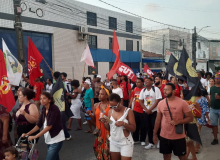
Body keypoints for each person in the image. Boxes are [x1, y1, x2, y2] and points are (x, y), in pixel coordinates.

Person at [153, 83, 193, 160]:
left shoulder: (182, 102)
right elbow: (158, 120)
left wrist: (179, 121)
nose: (165, 91)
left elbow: (190, 118)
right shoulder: (161, 103)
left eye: (167, 89)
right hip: (164, 135)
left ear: (174, 91)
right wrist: (154, 134)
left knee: (182, 157)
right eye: (164, 89)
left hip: (178, 136)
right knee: (166, 157)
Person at [22, 92, 65, 160]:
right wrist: (28, 133)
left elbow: (49, 126)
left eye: (44, 98)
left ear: (49, 100)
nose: (41, 100)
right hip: (48, 138)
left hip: (56, 139)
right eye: (40, 99)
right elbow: (39, 125)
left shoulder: (54, 108)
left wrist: (35, 136)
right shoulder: (44, 109)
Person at [101, 93, 136, 160]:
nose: (113, 108)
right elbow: (109, 128)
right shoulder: (110, 112)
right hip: (113, 142)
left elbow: (133, 129)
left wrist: (124, 124)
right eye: (111, 106)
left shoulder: (128, 111)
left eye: (115, 106)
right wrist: (105, 123)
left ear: (120, 102)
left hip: (126, 143)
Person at [86, 86, 111, 160]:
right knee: (98, 149)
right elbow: (94, 120)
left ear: (107, 96)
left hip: (108, 131)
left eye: (102, 94)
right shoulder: (96, 105)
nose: (99, 95)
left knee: (108, 150)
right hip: (99, 131)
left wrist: (106, 121)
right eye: (99, 94)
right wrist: (90, 114)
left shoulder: (111, 105)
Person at [139, 78, 162, 149]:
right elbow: (140, 101)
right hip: (146, 112)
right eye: (145, 81)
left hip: (154, 111)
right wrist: (146, 110)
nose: (146, 82)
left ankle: (159, 141)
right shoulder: (143, 90)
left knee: (155, 126)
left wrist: (150, 109)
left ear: (152, 82)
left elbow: (158, 100)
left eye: (147, 81)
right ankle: (151, 142)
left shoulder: (156, 89)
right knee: (148, 127)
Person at [128, 78, 146, 145]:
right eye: (136, 82)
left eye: (139, 82)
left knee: (143, 126)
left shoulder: (145, 90)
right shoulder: (135, 89)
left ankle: (142, 140)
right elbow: (132, 98)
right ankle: (135, 139)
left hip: (143, 110)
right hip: (135, 110)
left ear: (142, 82)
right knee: (135, 125)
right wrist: (129, 107)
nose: (137, 83)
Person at [195, 88, 210, 153]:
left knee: (197, 132)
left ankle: (196, 147)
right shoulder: (192, 98)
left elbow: (206, 109)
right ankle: (197, 145)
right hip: (193, 117)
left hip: (200, 117)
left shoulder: (203, 99)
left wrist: (207, 117)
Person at [209, 74, 220, 145]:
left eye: (218, 78)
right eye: (216, 78)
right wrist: (209, 105)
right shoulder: (212, 88)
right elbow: (210, 97)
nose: (216, 79)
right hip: (213, 109)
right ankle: (215, 139)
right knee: (214, 125)